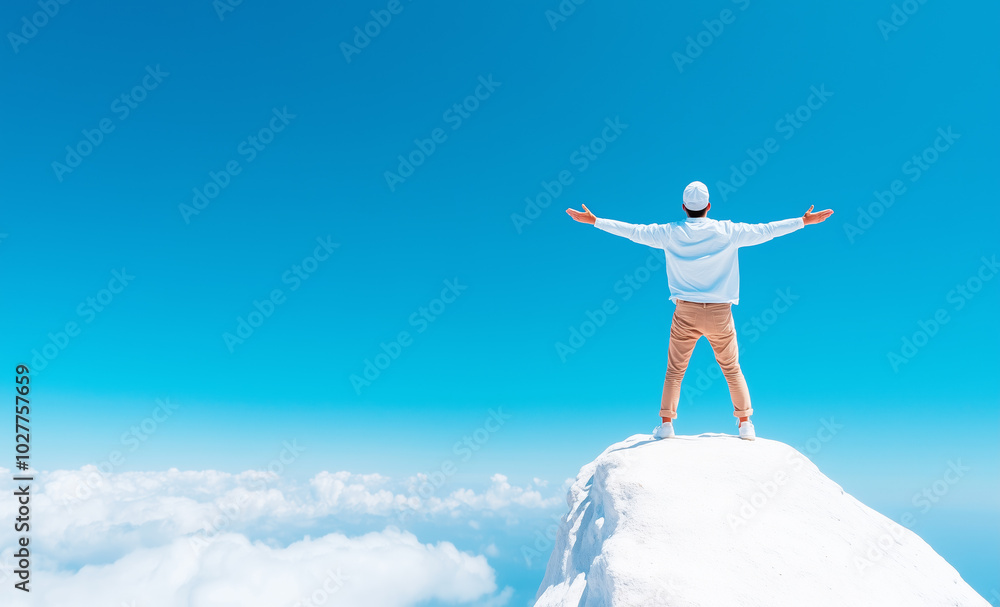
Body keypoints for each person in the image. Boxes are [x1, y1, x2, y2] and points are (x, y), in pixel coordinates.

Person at [566, 181, 833, 441]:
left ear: (683, 206)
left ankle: (667, 424)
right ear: (708, 206)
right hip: (720, 313)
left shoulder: (669, 232)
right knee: (731, 368)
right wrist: (803, 221)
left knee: (675, 370)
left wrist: (595, 221)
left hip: (685, 312)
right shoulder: (728, 230)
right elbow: (767, 230)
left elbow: (633, 231)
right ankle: (745, 424)